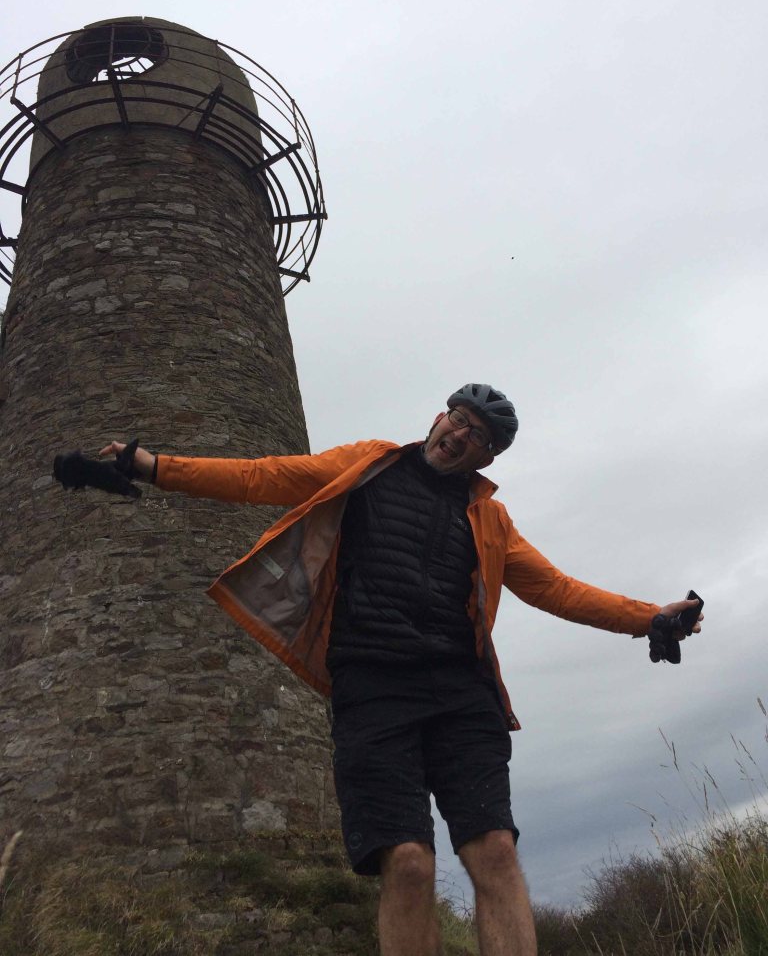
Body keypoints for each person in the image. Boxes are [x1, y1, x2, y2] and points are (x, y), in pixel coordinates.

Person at [96, 383, 703, 956]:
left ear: (487, 457)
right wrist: (154, 466)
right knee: (408, 862)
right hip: (373, 688)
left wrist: (650, 618)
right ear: (438, 418)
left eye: (478, 435)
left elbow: (557, 590)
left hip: (464, 694)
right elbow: (263, 477)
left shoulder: (491, 519)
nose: (459, 435)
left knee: (494, 850)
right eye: (457, 419)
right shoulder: (369, 465)